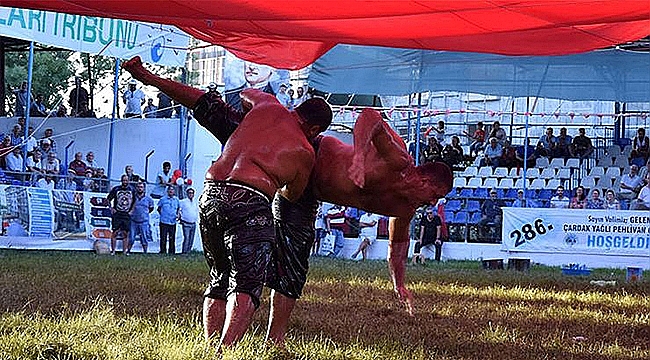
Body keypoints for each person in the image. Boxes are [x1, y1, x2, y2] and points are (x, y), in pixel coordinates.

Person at [123, 56, 451, 348]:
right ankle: (151, 78)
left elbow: (398, 247)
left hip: (301, 185)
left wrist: (400, 284)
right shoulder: (398, 158)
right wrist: (361, 158)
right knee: (218, 113)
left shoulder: (405, 207)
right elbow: (369, 117)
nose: (431, 202)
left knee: (293, 263)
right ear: (423, 178)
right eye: (433, 194)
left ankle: (273, 337)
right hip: (300, 156)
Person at [107, 174, 137, 255]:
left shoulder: (132, 189)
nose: (125, 182)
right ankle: (113, 251)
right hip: (117, 214)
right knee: (115, 232)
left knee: (125, 233)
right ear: (121, 180)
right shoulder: (116, 189)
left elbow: (135, 201)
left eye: (126, 180)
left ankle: (124, 251)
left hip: (126, 214)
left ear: (129, 181)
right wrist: (111, 208)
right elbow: (108, 199)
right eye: (124, 180)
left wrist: (132, 210)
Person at [130, 181, 154, 253]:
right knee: (131, 238)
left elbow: (151, 208)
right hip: (133, 221)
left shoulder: (149, 199)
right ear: (136, 188)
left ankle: (145, 252)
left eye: (141, 187)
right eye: (138, 187)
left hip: (144, 222)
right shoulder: (132, 198)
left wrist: (144, 214)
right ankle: (127, 251)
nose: (140, 189)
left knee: (144, 238)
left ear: (144, 189)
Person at [157, 185, 180, 254]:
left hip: (172, 222)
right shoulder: (162, 199)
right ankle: (163, 252)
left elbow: (178, 209)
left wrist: (178, 214)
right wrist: (164, 214)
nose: (171, 191)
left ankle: (172, 252)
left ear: (174, 191)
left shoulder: (176, 200)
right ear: (167, 191)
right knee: (163, 238)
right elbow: (159, 208)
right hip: (164, 221)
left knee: (172, 238)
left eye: (172, 190)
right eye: (170, 190)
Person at [178, 187, 198, 254]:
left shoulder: (195, 202)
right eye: (189, 193)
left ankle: (188, 252)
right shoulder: (183, 202)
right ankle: (184, 252)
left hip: (193, 223)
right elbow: (179, 210)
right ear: (187, 194)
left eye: (192, 193)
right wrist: (180, 219)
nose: (191, 194)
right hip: (186, 223)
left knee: (191, 239)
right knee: (186, 238)